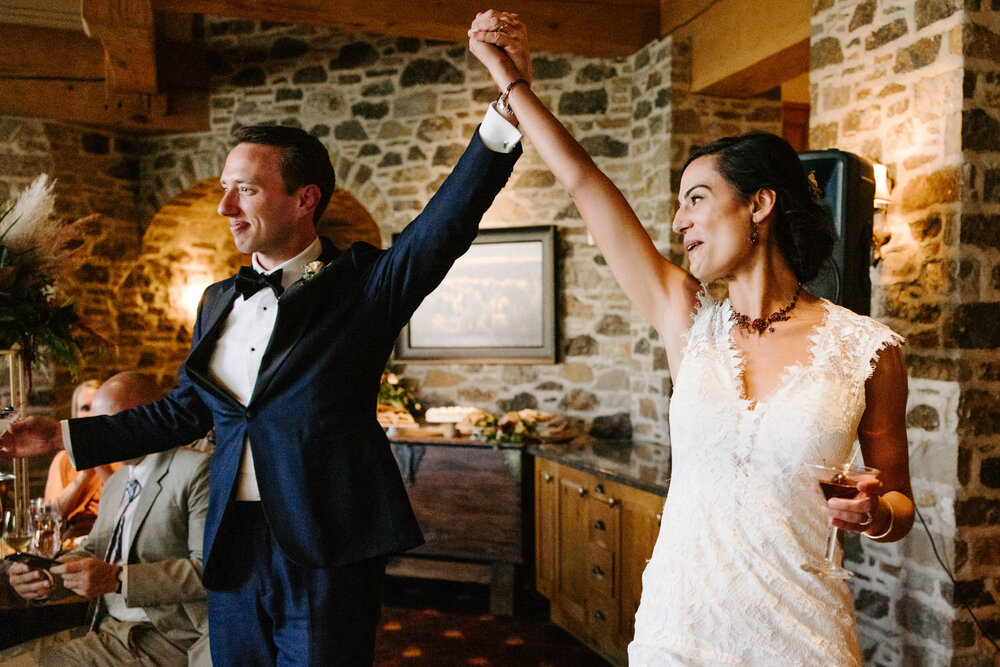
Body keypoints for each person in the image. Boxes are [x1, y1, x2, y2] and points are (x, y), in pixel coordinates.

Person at [0, 103, 524, 663]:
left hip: (325, 540)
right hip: (231, 543)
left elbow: (442, 228)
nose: (225, 207)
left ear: (305, 199)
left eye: (245, 189)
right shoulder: (217, 300)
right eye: (225, 189)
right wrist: (60, 437)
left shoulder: (364, 286)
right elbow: (181, 413)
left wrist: (501, 121)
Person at [467, 11, 914, 665]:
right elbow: (585, 183)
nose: (679, 221)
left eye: (696, 199)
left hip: (804, 638)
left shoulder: (869, 349)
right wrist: (511, 82)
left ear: (759, 204)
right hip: (679, 628)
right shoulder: (685, 315)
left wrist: (875, 512)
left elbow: (899, 501)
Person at [2, 372, 210, 667]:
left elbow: (208, 573)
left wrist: (118, 579)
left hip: (168, 639)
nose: (98, 437)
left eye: (105, 424)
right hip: (106, 631)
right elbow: (93, 551)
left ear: (142, 416)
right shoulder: (117, 482)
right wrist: (46, 578)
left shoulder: (195, 469)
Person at [43, 380, 119, 542]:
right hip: (71, 540)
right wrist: (84, 476)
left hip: (113, 538)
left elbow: (130, 504)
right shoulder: (62, 459)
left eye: (96, 407)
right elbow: (49, 516)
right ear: (75, 414)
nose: (91, 414)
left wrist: (98, 462)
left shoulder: (123, 453)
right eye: (85, 408)